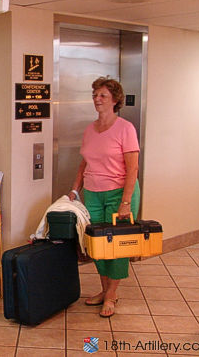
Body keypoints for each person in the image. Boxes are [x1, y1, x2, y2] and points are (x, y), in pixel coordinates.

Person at [68, 77, 140, 318]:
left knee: (117, 246)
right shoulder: (90, 129)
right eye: (95, 95)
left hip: (120, 193)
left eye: (103, 96)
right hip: (93, 193)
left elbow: (133, 169)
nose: (97, 100)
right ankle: (104, 289)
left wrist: (126, 203)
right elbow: (84, 162)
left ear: (115, 100)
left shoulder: (125, 128)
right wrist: (75, 189)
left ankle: (111, 294)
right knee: (97, 245)